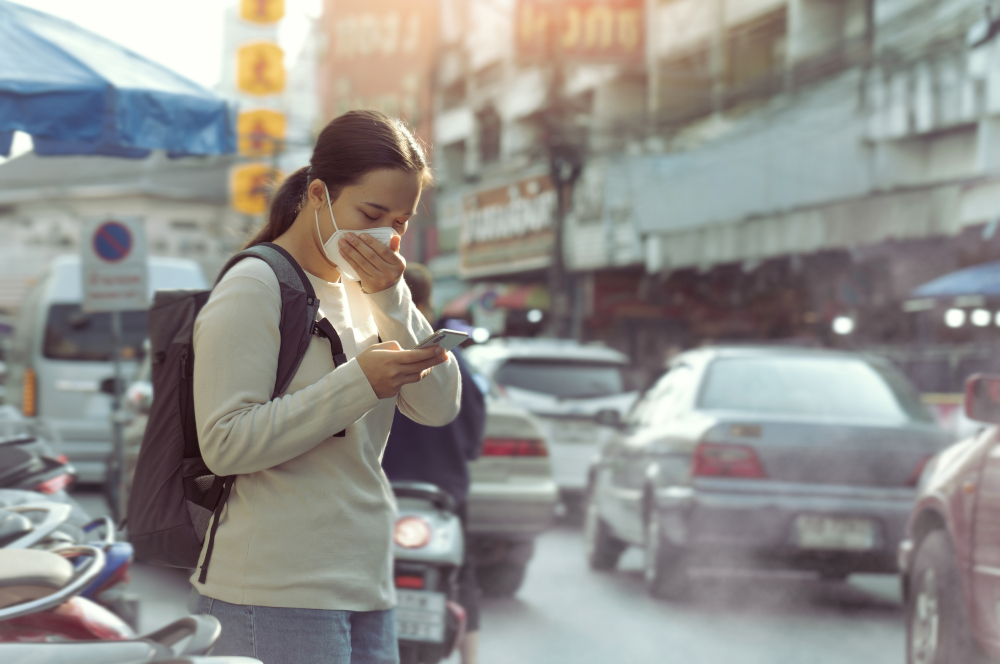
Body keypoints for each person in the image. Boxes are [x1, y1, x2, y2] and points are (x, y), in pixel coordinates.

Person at [188, 110, 461, 664]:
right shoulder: (255, 284)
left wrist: (392, 297)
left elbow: (439, 406)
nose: (387, 232)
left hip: (365, 583)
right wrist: (358, 383)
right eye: (371, 212)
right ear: (318, 194)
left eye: (402, 220)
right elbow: (225, 443)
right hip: (273, 590)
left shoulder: (370, 294)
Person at [381, 264, 486, 664]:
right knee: (461, 576)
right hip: (443, 499)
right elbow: (473, 444)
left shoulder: (370, 360)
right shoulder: (456, 370)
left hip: (379, 496)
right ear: (425, 303)